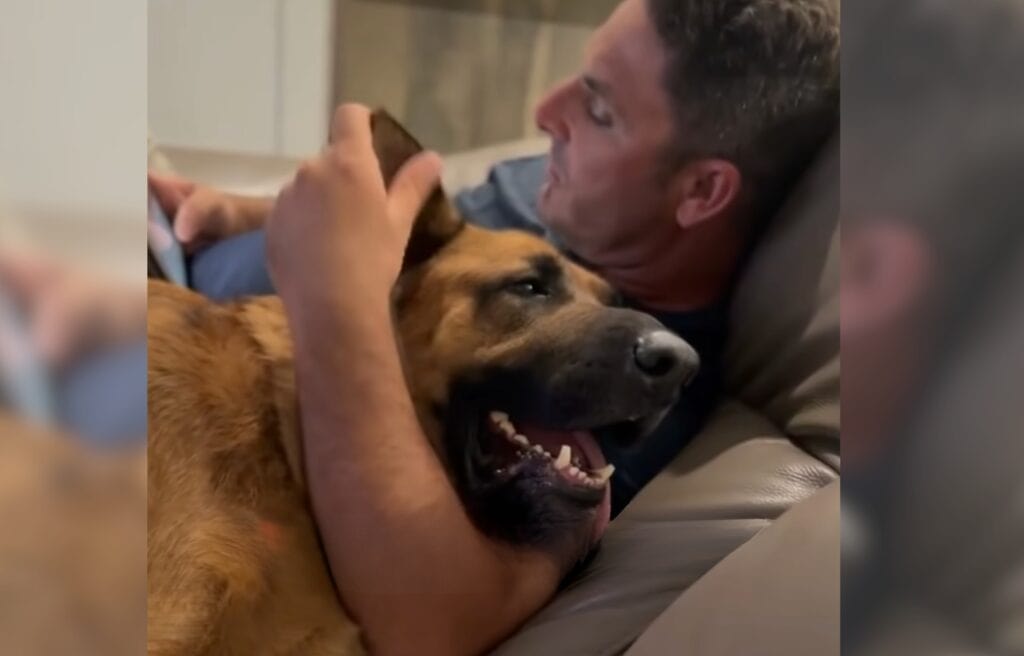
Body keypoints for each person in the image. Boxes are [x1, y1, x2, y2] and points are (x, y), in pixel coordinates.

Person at [150, 0, 838, 651]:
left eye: (598, 109)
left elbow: (435, 625)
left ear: (700, 191)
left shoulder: (615, 385)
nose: (544, 112)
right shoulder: (563, 194)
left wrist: (338, 299)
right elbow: (416, 222)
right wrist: (239, 213)